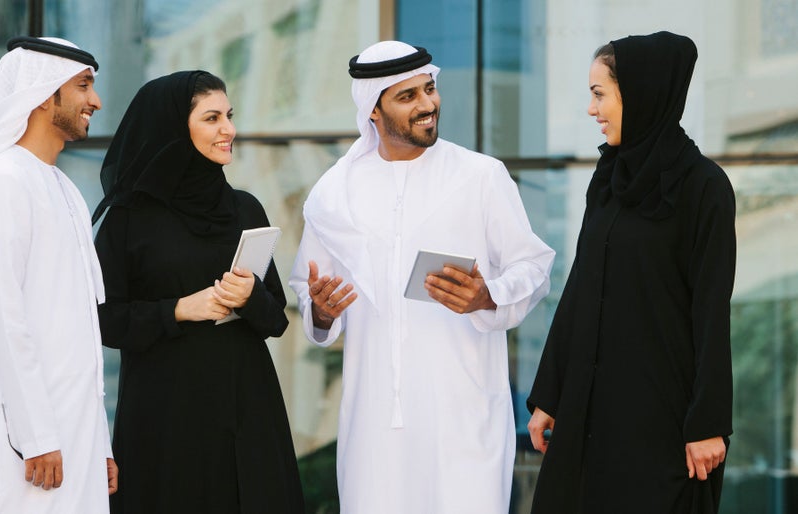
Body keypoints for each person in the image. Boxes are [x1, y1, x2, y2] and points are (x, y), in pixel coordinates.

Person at [289, 41, 555, 513]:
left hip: (463, 417)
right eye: (407, 96)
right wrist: (324, 314)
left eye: (429, 89)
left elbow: (533, 267)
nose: (427, 104)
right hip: (373, 427)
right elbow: (308, 292)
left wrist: (487, 296)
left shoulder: (480, 176)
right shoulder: (336, 192)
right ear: (373, 110)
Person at [526, 31, 735, 514]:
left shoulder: (704, 188)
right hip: (590, 407)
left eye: (600, 94)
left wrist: (708, 421)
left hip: (661, 414)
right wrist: (551, 393)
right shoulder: (610, 177)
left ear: (640, 93)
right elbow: (580, 287)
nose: (591, 109)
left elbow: (711, 310)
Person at [91, 70, 304, 514]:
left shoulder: (244, 207)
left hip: (247, 403)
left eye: (228, 115)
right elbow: (102, 320)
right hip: (167, 412)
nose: (228, 129)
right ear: (174, 128)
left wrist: (249, 298)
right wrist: (179, 310)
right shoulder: (129, 219)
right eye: (212, 118)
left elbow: (276, 320)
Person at [0, 37, 117, 513]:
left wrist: (99, 442)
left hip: (68, 432)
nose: (95, 101)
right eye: (83, 86)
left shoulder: (61, 187)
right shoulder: (3, 181)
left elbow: (80, 333)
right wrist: (35, 433)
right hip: (19, 441)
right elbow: (4, 317)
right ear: (43, 93)